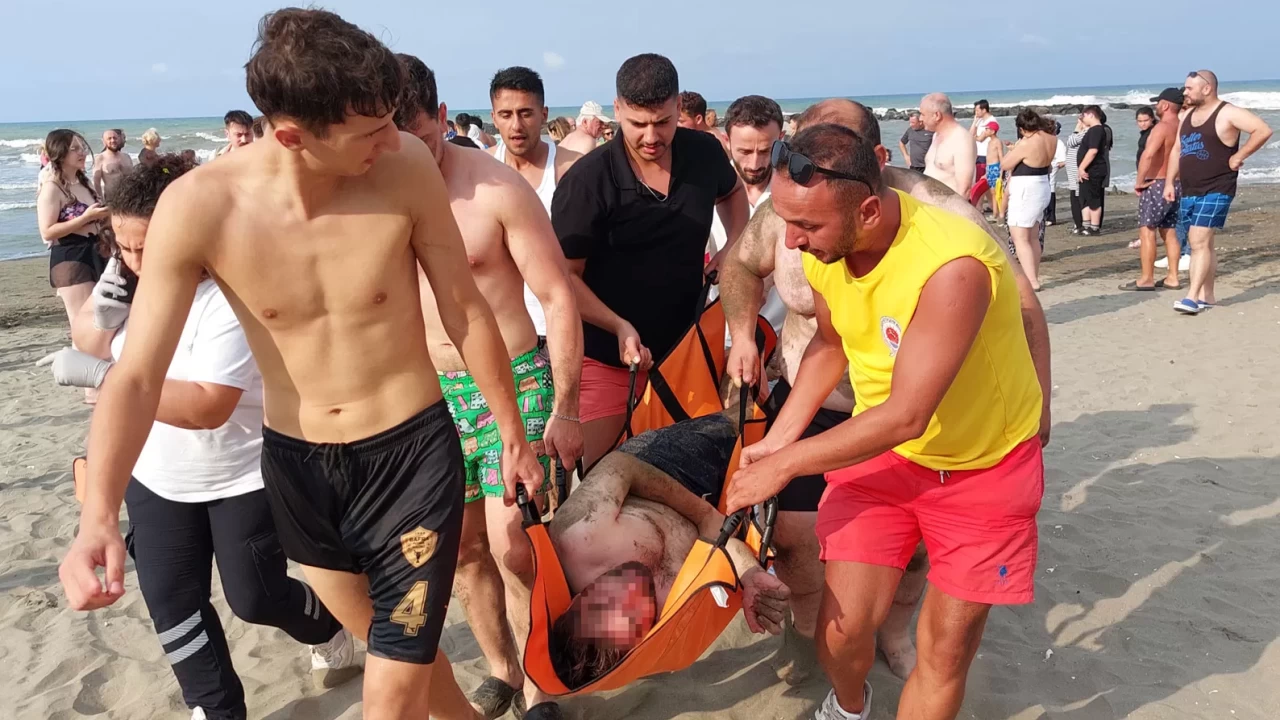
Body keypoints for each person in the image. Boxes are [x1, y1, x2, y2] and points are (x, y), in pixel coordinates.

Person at [56, 10, 544, 720]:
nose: (392, 140)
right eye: (369, 131)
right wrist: (98, 515)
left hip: (410, 456)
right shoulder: (201, 208)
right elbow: (135, 376)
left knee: (392, 687)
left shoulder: (405, 166)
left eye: (392, 122)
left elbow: (465, 310)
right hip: (299, 468)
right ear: (291, 136)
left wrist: (511, 432)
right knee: (392, 645)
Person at [720, 98, 1051, 690]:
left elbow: (909, 413)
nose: (791, 242)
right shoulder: (817, 234)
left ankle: (898, 641)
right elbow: (828, 342)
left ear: (868, 202)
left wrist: (1043, 399)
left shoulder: (951, 255)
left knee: (944, 650)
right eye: (788, 223)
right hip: (874, 440)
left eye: (806, 227)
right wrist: (777, 440)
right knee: (831, 607)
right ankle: (840, 687)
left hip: (974, 457)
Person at [42, 154, 360, 720]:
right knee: (172, 602)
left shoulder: (232, 295)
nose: (136, 261)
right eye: (123, 246)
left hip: (241, 472)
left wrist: (104, 376)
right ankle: (215, 709)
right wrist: (106, 305)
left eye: (147, 247)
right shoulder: (130, 278)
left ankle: (329, 626)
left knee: (256, 597)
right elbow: (89, 337)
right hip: (155, 473)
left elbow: (208, 405)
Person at [395, 55, 585, 720]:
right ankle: (502, 668)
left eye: (419, 137)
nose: (405, 153)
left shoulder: (495, 189)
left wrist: (567, 405)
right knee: (465, 550)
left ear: (442, 117)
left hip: (517, 377)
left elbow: (557, 296)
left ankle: (539, 684)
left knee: (516, 547)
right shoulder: (374, 196)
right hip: (430, 393)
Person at [551, 53, 748, 469]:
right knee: (603, 479)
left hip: (687, 352)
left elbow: (732, 193)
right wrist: (617, 324)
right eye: (637, 123)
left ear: (679, 107)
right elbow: (563, 280)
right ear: (617, 109)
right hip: (606, 359)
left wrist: (733, 245)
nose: (651, 136)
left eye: (663, 121)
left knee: (687, 477)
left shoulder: (704, 153)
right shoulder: (587, 182)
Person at [547, 409, 791, 687]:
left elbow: (621, 466)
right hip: (718, 513)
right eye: (632, 617)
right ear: (639, 642)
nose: (629, 591)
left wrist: (703, 514)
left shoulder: (576, 538)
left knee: (744, 419)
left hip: (661, 470)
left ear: (577, 601)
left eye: (606, 602)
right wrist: (749, 574)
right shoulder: (669, 616)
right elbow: (719, 549)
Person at [488, 66, 585, 346]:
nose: (516, 125)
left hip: (558, 323)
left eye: (526, 113)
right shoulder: (481, 170)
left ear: (543, 115)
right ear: (493, 118)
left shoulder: (572, 169)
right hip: (500, 329)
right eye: (506, 114)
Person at [1166, 70, 1273, 315]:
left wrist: (1239, 155)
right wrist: (1170, 182)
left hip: (1217, 187)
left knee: (1197, 241)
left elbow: (1262, 130)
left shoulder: (1228, 112)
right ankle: (1208, 296)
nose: (1185, 92)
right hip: (1190, 188)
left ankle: (1192, 297)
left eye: (1189, 88)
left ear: (1207, 88)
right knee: (1205, 243)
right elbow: (1177, 150)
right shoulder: (1187, 115)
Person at [721, 95, 787, 333]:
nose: (755, 163)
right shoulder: (705, 191)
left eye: (765, 151)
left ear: (781, 139)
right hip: (718, 333)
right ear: (726, 141)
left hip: (780, 333)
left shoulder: (798, 192)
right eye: (745, 151)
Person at [37, 130, 110, 329]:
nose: (82, 152)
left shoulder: (84, 183)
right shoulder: (52, 188)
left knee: (103, 321)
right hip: (71, 257)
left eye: (83, 147)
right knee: (83, 324)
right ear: (60, 154)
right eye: (75, 149)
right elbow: (47, 231)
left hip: (97, 251)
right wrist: (85, 218)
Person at [1124, 88, 1186, 291]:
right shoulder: (1183, 126)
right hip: (1177, 182)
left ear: (1165, 105)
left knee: (1147, 230)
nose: (1156, 107)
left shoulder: (1161, 127)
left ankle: (1147, 278)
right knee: (1169, 231)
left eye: (1158, 103)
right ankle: (1173, 277)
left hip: (1157, 182)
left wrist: (1139, 181)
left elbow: (1148, 155)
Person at [999, 110, 1057, 290]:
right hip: (1042, 184)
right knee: (1032, 235)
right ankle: (1034, 277)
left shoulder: (1026, 143)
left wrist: (1016, 147)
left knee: (1020, 237)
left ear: (1022, 128)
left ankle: (1031, 281)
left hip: (1026, 188)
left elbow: (1005, 164)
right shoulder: (1051, 138)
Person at [921, 93, 976, 195]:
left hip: (948, 204)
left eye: (923, 114)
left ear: (937, 115)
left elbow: (964, 189)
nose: (920, 119)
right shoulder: (935, 136)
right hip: (928, 203)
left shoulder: (961, 139)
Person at [1076, 105, 1109, 236]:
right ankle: (1086, 224)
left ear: (1090, 115)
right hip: (1087, 169)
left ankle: (1094, 227)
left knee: (1093, 197)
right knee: (1085, 197)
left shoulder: (1097, 130)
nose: (1082, 118)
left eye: (1084, 115)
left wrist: (1082, 167)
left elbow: (1093, 151)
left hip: (1094, 169)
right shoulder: (1092, 130)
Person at [92, 129, 133, 197]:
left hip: (130, 197)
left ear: (118, 139)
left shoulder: (127, 157)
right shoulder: (100, 158)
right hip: (111, 199)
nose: (113, 140)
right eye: (109, 138)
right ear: (104, 142)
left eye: (115, 138)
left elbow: (133, 178)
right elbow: (96, 183)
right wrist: (100, 200)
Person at [1064, 118, 1085, 234]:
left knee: (1077, 197)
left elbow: (1071, 141)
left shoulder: (1085, 133)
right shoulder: (1083, 133)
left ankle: (1080, 224)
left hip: (1077, 169)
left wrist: (1077, 129)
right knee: (1075, 195)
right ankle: (1078, 223)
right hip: (1073, 169)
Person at [1044, 121, 1066, 227]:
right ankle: (1045, 216)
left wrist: (1054, 165)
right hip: (1044, 165)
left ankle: (1051, 217)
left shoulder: (1058, 142)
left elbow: (1062, 161)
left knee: (1050, 187)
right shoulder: (1045, 140)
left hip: (1052, 165)